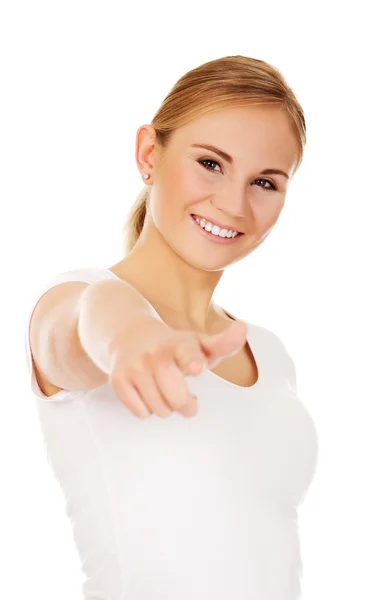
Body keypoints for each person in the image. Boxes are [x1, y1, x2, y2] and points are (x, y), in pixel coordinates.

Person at [25, 55, 318, 600]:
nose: (233, 203)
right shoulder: (74, 299)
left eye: (265, 182)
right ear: (148, 154)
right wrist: (128, 336)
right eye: (211, 163)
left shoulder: (269, 355)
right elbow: (84, 324)